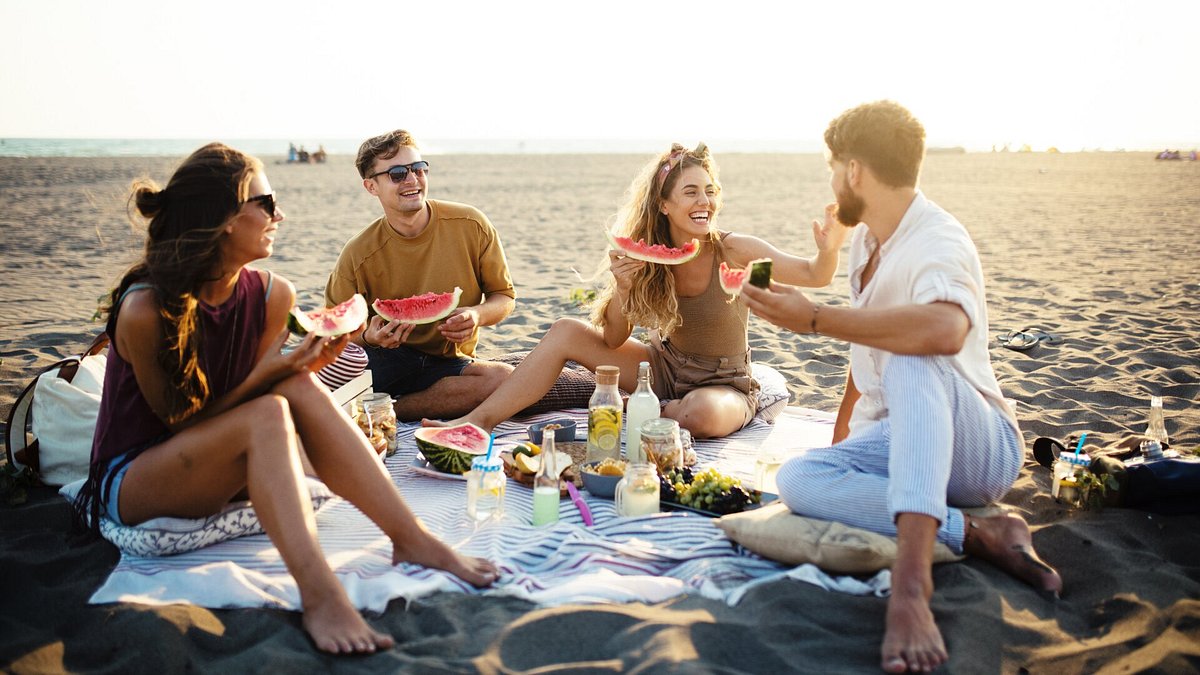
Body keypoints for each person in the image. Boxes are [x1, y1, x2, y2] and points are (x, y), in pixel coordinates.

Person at [71, 143, 497, 655]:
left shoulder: (274, 295)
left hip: (222, 464)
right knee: (273, 403)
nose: (281, 215)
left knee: (291, 388)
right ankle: (320, 594)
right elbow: (181, 424)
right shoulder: (145, 309)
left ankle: (410, 537)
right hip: (138, 477)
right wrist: (274, 374)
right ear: (225, 219)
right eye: (267, 204)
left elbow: (252, 399)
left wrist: (290, 372)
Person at [739, 101, 1062, 673]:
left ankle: (912, 592)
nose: (832, 181)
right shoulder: (866, 242)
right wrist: (840, 447)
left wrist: (815, 318)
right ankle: (983, 532)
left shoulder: (939, 240)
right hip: (906, 435)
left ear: (855, 171)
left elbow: (942, 329)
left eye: (833, 168)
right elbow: (864, 359)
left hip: (980, 448)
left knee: (914, 354)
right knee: (801, 476)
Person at [428, 142, 845, 439]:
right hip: (663, 368)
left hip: (725, 382)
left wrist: (830, 249)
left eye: (710, 191)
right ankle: (479, 421)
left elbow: (813, 275)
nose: (705, 201)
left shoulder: (734, 249)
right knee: (564, 330)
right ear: (664, 205)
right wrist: (626, 287)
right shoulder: (647, 257)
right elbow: (612, 338)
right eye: (691, 191)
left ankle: (647, 409)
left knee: (699, 416)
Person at [325, 129, 516, 421]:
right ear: (371, 186)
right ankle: (381, 404)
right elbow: (335, 338)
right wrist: (369, 336)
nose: (412, 180)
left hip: (449, 361)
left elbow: (503, 296)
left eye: (418, 169)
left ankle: (390, 410)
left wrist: (478, 315)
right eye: (398, 174)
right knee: (311, 382)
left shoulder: (471, 224)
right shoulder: (358, 254)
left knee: (503, 379)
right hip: (385, 359)